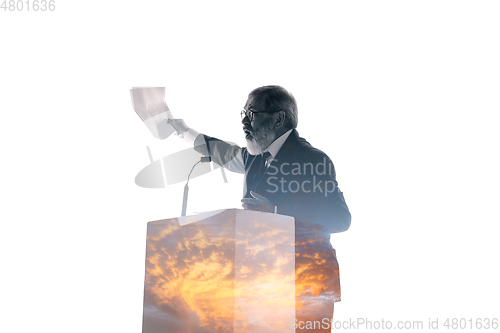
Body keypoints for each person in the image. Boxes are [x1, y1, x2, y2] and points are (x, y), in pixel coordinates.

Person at [170, 85, 351, 332]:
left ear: (279, 118)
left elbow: (340, 219)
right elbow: (221, 151)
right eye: (243, 113)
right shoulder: (253, 157)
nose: (244, 121)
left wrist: (276, 213)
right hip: (264, 282)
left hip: (309, 283)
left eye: (252, 114)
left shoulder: (313, 160)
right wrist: (182, 131)